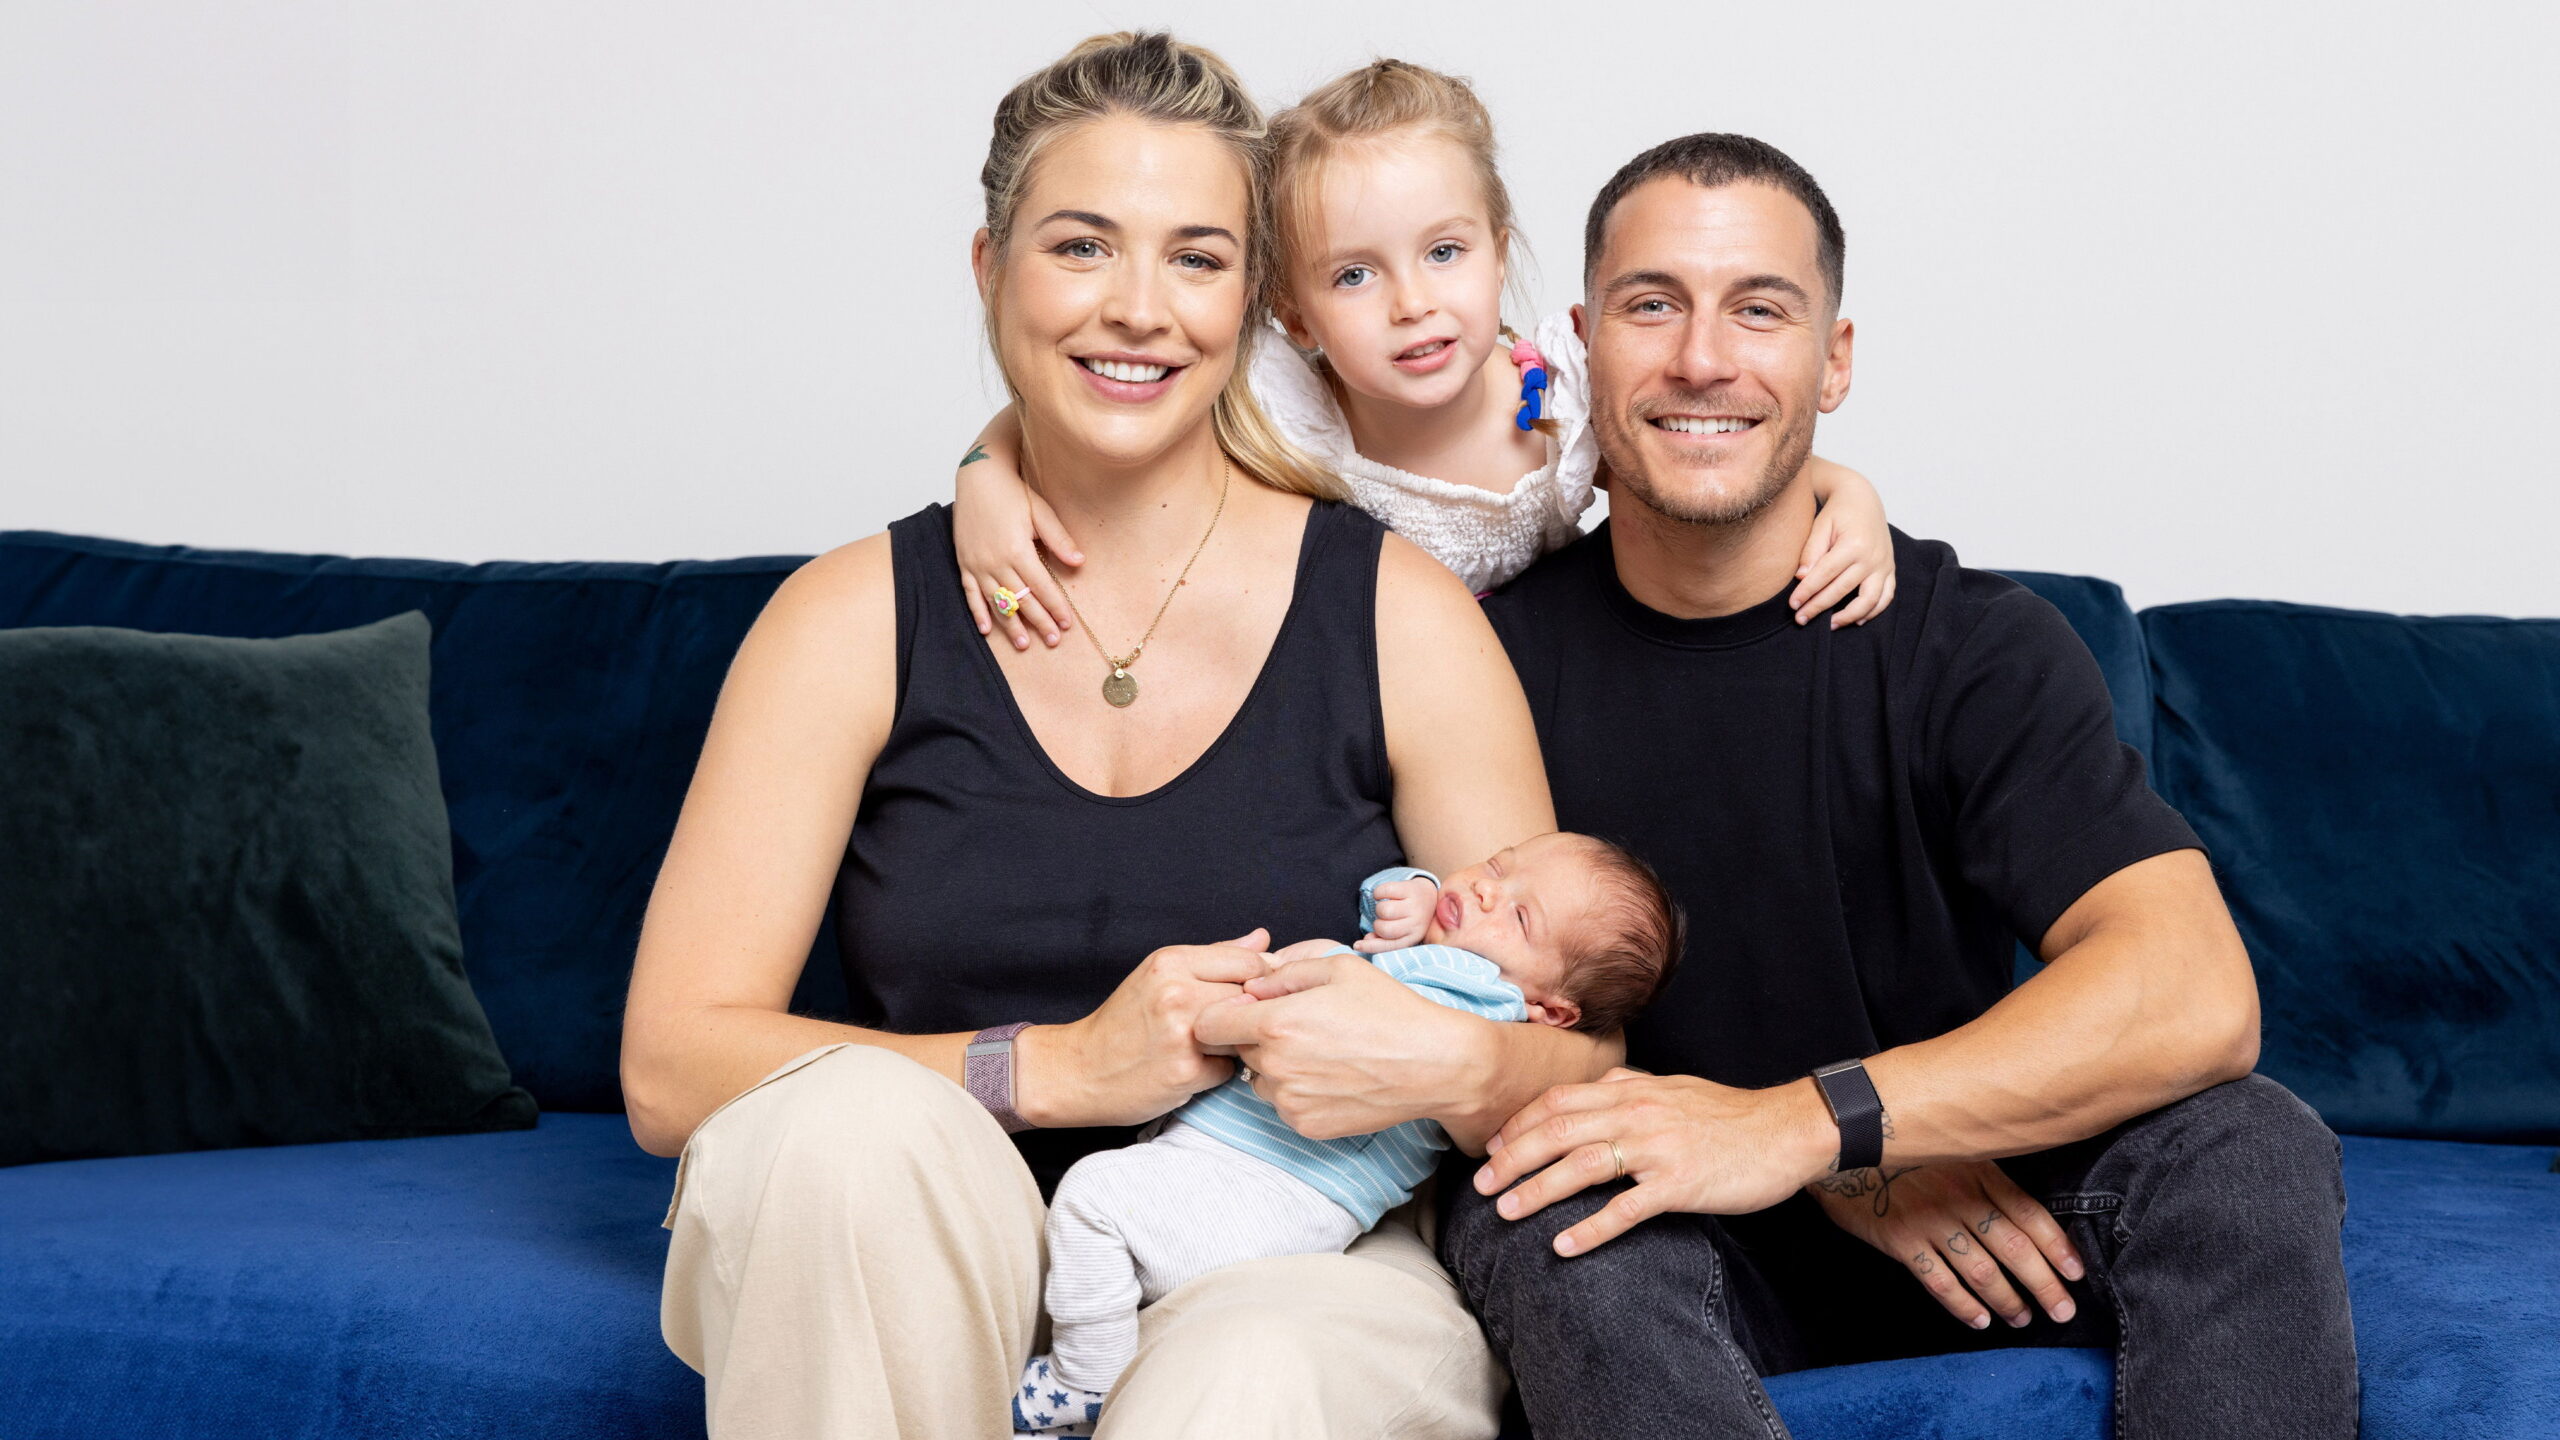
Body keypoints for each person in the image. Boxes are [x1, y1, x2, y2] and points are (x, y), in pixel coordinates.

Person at [621, 32, 1605, 1440]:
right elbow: (671, 1067)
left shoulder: (1400, 615)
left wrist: (1451, 1065)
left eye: (1196, 259)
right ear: (990, 269)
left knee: (1251, 1370)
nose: (1139, 309)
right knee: (830, 1136)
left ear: (1251, 302)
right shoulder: (848, 619)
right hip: (933, 1232)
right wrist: (1061, 1066)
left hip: (1291, 1247)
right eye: (1082, 246)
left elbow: (1587, 1047)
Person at [1388, 133, 2359, 1438]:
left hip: (1980, 1214)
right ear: (1582, 344)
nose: (1702, 359)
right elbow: (1447, 1010)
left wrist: (1827, 1131)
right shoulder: (1473, 662)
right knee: (1533, 1202)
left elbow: (2192, 986)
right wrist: (1804, 1165)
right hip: (1679, 1234)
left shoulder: (1971, 645)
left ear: (1833, 361)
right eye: (1652, 305)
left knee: (2250, 1142)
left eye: (1760, 310)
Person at [948, 59, 1899, 647]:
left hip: (1543, 680)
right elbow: (1105, 387)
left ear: (1498, 251)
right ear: (1294, 316)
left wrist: (1849, 497)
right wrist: (985, 478)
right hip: (1366, 691)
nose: (1413, 305)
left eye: (1445, 253)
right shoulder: (1293, 409)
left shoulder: (1559, 403)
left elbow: (1703, 439)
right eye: (1355, 274)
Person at [1017, 835, 1684, 1435]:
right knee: (1125, 1244)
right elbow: (1379, 919)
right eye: (1497, 865)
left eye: (1519, 916)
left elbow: (1356, 997)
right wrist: (1419, 891)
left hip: (1281, 1187)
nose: (1487, 889)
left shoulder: (1480, 997)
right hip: (1254, 1177)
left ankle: (1086, 1382)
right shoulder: (1441, 963)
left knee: (1094, 1199)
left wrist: (1315, 960)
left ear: (1551, 1011)